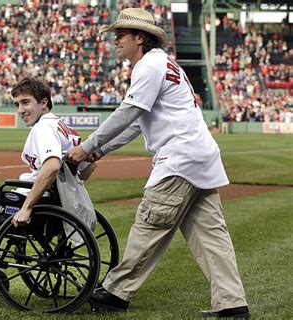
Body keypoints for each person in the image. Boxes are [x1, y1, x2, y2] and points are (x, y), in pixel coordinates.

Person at [66, 8, 249, 318]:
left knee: (149, 225)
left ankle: (115, 292)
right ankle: (233, 304)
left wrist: (88, 146)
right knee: (212, 237)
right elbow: (138, 123)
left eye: (120, 34)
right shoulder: (163, 63)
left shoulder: (149, 65)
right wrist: (101, 150)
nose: (115, 41)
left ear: (140, 37)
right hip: (200, 158)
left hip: (178, 159)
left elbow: (127, 113)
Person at [10, 77, 96, 228]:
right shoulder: (61, 126)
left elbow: (52, 166)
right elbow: (88, 168)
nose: (20, 110)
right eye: (17, 104)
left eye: (25, 102)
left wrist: (26, 208)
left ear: (43, 103)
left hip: (42, 200)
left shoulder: (43, 128)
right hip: (58, 201)